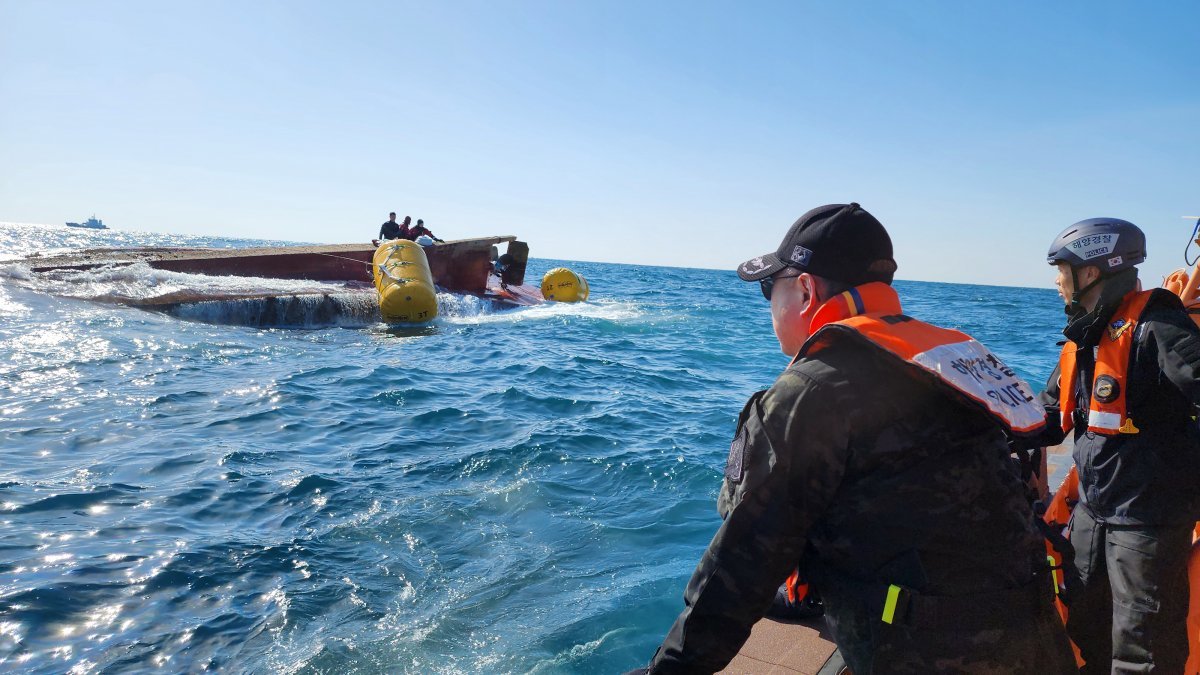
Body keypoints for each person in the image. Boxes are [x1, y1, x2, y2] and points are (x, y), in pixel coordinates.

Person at [635, 203, 1075, 674]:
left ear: (804, 289)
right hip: (1036, 631)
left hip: (933, 655)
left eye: (769, 288)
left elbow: (742, 563)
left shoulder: (812, 389)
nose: (768, 304)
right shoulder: (944, 361)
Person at [1033, 217, 1200, 673]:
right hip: (1094, 512)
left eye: (1061, 269)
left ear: (1090, 273)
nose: (1055, 279)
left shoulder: (1158, 327)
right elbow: (1045, 419)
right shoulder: (1084, 340)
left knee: (1144, 650)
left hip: (1147, 519)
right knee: (1087, 624)